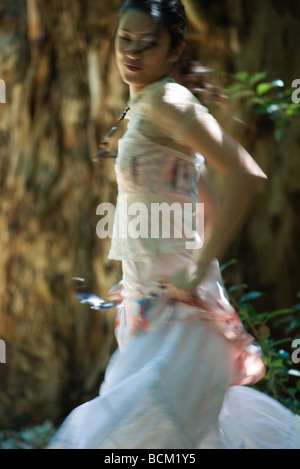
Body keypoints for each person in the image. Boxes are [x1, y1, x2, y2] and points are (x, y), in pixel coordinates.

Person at [48, 0, 300, 449]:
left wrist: (194, 267)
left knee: (112, 439)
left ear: (174, 50)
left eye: (149, 44)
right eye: (125, 38)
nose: (133, 52)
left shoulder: (166, 99)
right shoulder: (146, 104)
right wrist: (145, 277)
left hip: (181, 318)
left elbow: (245, 174)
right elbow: (202, 194)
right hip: (153, 309)